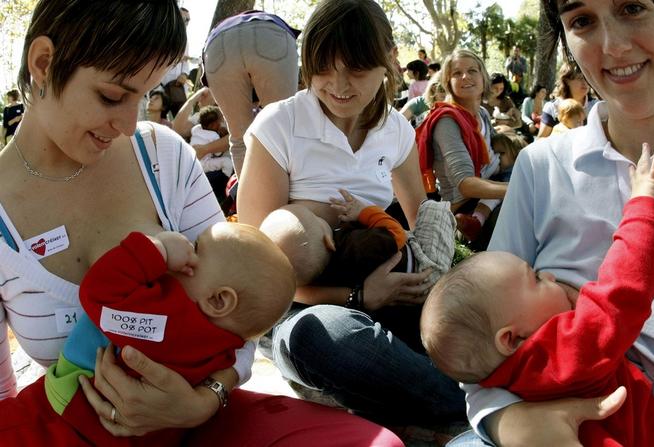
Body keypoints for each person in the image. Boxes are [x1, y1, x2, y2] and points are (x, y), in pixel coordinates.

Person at [0, 1, 403, 445]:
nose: (130, 125)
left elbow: (241, 319)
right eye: (112, 96)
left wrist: (206, 399)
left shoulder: (162, 154)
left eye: (144, 96)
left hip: (201, 423)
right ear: (44, 62)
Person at [449, 0, 654, 446]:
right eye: (582, 21)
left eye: (631, 7)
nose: (612, 45)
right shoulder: (541, 166)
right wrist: (510, 423)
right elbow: (480, 338)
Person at [235, 0, 466, 425]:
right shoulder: (278, 126)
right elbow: (256, 273)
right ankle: (464, 408)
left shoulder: (396, 130)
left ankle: (400, 398)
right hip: (300, 307)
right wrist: (357, 297)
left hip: (391, 291)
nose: (339, 85)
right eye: (324, 69)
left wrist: (428, 285)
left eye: (356, 70)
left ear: (388, 61)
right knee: (325, 338)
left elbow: (422, 225)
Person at [425, 145, 654, 446]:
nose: (550, 275)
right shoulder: (565, 351)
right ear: (511, 339)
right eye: (535, 279)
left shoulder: (504, 376)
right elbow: (625, 288)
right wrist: (644, 205)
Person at [0, 223, 295, 446]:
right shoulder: (225, 347)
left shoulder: (167, 317)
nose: (186, 247)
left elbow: (98, 293)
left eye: (196, 248)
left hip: (68, 413)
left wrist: (157, 250)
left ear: (218, 300)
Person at [260, 189, 455, 290]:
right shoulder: (355, 245)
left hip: (401, 289)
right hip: (424, 271)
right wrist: (364, 212)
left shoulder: (321, 277)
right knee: (434, 210)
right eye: (315, 218)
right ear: (328, 241)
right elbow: (396, 234)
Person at [415, 49, 507, 247]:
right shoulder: (447, 121)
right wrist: (518, 188)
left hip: (492, 185)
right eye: (457, 73)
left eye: (472, 70)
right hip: (464, 205)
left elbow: (495, 149)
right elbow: (466, 184)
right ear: (448, 83)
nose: (465, 76)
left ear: (483, 77)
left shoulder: (482, 113)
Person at [203, 10, 300, 176]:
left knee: (239, 139)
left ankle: (247, 193)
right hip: (268, 30)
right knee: (286, 131)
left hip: (216, 43)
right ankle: (293, 190)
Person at [537, 63, 596, 137]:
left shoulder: (596, 106)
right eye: (580, 78)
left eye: (586, 77)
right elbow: (540, 140)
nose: (585, 82)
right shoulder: (552, 107)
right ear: (567, 80)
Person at [160, 6, 192, 118]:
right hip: (159, 84)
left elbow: (186, 62)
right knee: (158, 116)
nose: (186, 22)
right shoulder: (162, 33)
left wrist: (184, 74)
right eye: (184, 19)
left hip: (176, 85)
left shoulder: (185, 40)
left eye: (188, 20)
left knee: (181, 116)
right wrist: (177, 57)